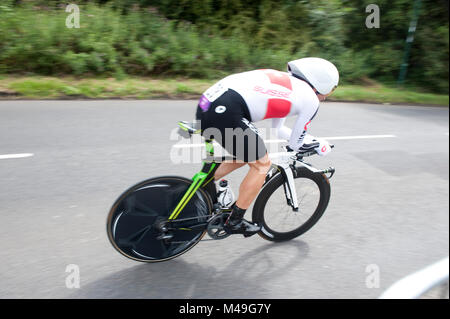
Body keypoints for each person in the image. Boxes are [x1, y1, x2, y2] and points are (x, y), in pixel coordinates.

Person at [195, 57, 339, 236]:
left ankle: (198, 191)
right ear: (321, 84)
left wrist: (311, 140)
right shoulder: (311, 99)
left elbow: (279, 130)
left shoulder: (289, 85)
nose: (326, 96)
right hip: (226, 109)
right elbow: (296, 143)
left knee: (246, 155)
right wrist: (320, 145)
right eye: (330, 90)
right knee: (262, 164)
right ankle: (234, 221)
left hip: (208, 102)